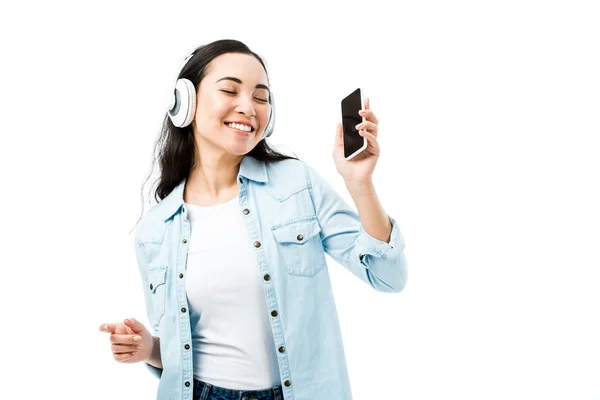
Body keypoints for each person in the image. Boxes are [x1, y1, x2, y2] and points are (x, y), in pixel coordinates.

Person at [98, 39, 408, 400]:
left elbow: (389, 277)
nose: (248, 107)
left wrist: (360, 184)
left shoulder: (297, 184)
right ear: (185, 103)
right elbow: (179, 351)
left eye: (261, 98)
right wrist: (148, 348)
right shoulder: (155, 230)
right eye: (230, 90)